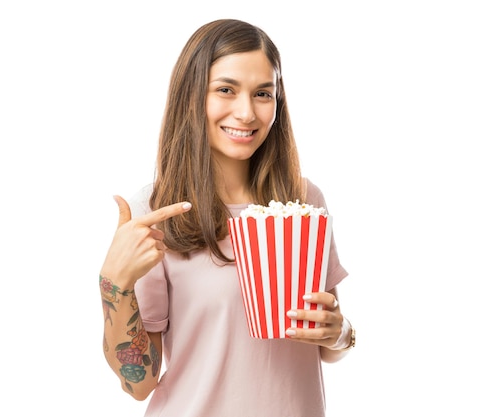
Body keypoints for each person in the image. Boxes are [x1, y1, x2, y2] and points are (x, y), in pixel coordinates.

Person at [99, 18, 355, 417]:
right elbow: (139, 383)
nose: (247, 112)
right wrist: (114, 284)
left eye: (263, 93)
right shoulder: (154, 212)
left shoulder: (303, 201)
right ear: (191, 97)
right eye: (225, 90)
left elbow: (325, 345)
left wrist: (342, 333)